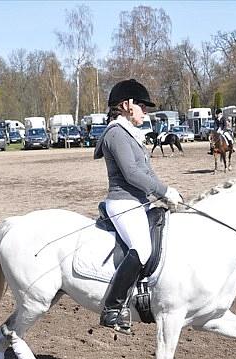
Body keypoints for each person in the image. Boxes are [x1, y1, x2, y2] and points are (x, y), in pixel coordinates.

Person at [93, 78, 182, 333]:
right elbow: (132, 173)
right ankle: (112, 308)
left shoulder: (132, 135)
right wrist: (164, 191)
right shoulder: (116, 134)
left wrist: (167, 194)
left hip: (138, 203)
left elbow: (148, 173)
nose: (146, 111)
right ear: (126, 105)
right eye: (142, 105)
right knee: (142, 248)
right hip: (122, 203)